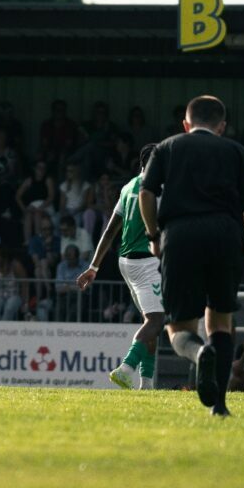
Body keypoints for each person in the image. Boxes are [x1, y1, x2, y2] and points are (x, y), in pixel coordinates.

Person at [139, 95, 244, 417]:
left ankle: (199, 354)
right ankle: (220, 407)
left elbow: (145, 193)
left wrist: (154, 236)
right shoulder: (238, 152)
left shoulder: (167, 147)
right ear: (222, 126)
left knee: (179, 327)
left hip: (180, 235)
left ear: (186, 123)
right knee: (221, 320)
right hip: (225, 235)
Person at [77, 144, 165, 390]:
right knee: (156, 320)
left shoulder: (127, 187)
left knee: (150, 319)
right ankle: (125, 368)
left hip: (125, 262)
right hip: (146, 262)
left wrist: (94, 265)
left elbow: (109, 231)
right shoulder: (157, 188)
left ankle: (146, 382)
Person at [0, 244, 28, 321]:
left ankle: (5, 330)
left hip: (13, 295)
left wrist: (25, 303)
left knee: (9, 309)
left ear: (3, 256)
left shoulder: (16, 265)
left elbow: (25, 284)